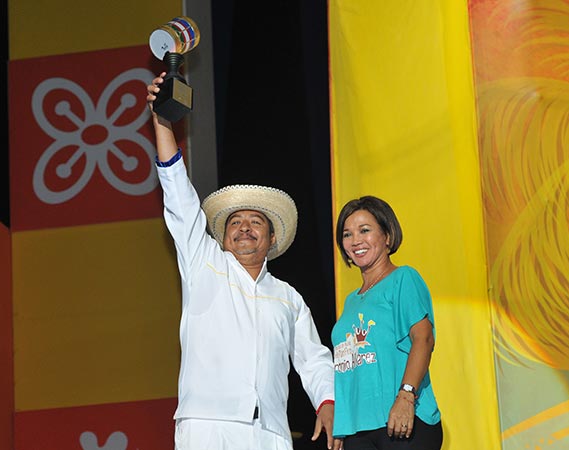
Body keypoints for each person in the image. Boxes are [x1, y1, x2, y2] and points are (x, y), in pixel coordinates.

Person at [146, 73, 335, 450]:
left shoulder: (289, 298)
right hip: (207, 426)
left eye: (256, 222)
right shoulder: (204, 264)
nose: (245, 227)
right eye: (236, 222)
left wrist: (327, 402)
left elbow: (314, 359)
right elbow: (179, 195)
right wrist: (162, 121)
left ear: (272, 238)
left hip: (270, 433)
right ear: (222, 236)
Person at [330, 196, 442, 450]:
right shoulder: (351, 300)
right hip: (358, 429)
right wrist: (342, 423)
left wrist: (406, 396)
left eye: (364, 230)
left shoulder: (403, 278)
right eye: (347, 234)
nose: (355, 240)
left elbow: (423, 338)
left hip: (401, 420)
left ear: (387, 236)